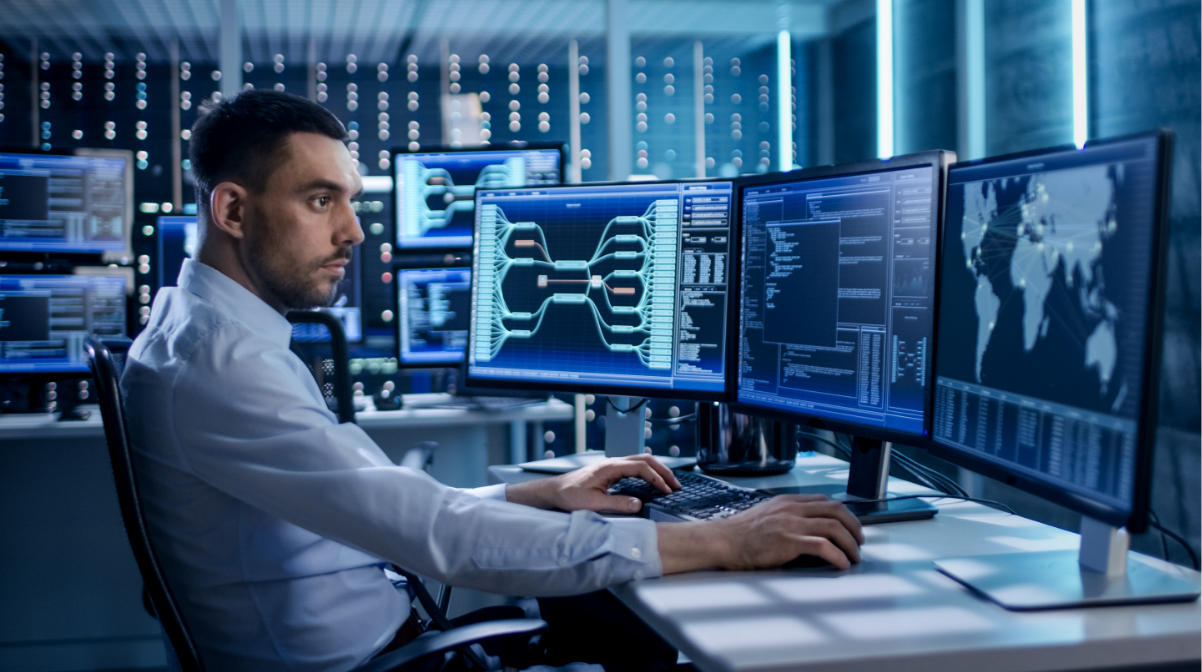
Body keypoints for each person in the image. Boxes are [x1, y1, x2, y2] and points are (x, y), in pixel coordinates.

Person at [122, 90, 864, 672]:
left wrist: (536, 493)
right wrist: (725, 542)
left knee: (623, 616)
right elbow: (436, 538)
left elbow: (376, 509)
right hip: (388, 663)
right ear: (233, 210)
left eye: (350, 200)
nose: (353, 230)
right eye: (322, 200)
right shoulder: (222, 368)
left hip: (392, 642)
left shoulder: (201, 336)